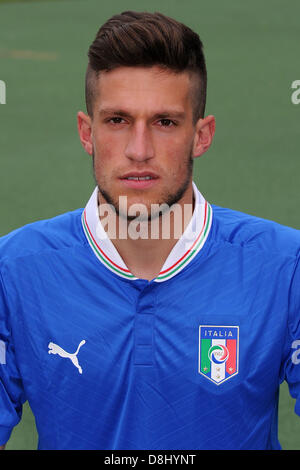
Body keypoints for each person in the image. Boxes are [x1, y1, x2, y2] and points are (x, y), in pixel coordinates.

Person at [0, 10, 300, 451]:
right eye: (118, 120)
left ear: (202, 135)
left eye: (165, 122)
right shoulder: (14, 272)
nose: (139, 150)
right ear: (87, 132)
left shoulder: (284, 267)